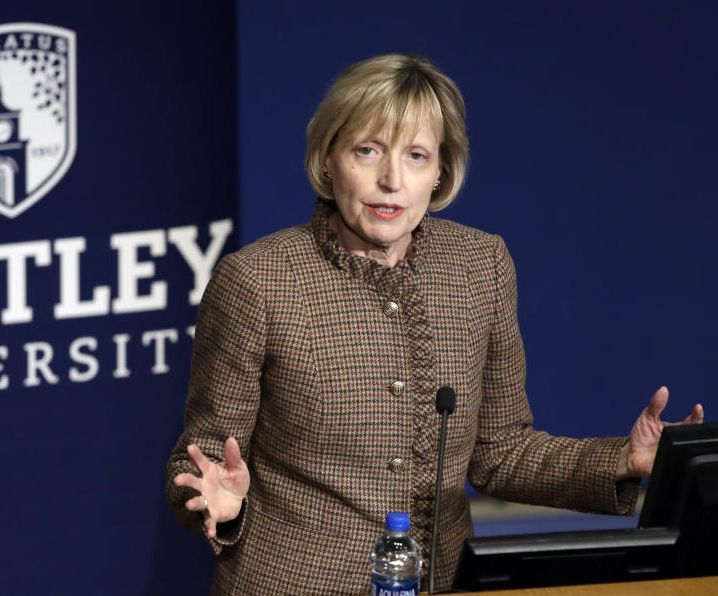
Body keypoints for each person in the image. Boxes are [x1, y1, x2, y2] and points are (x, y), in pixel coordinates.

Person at [165, 54, 704, 594]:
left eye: (416, 156)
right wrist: (216, 501)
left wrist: (624, 459)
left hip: (441, 582)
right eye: (367, 150)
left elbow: (501, 452)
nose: (391, 180)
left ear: (441, 171)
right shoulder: (258, 280)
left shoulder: (479, 266)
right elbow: (200, 459)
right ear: (329, 159)